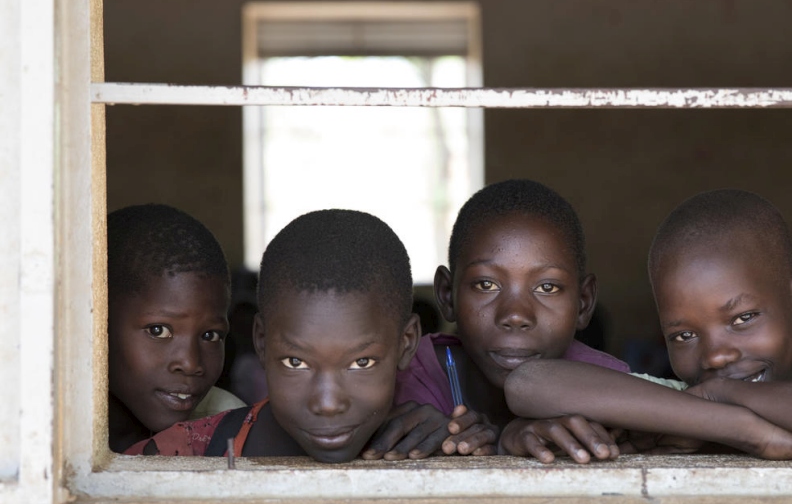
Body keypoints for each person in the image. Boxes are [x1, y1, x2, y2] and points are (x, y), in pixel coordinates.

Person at [504, 190, 792, 462]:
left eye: (742, 318)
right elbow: (530, 382)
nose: (715, 355)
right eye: (683, 335)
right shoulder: (673, 404)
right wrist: (752, 433)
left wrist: (727, 393)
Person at [126, 209, 491, 462]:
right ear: (262, 342)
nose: (328, 403)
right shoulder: (179, 456)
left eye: (361, 362)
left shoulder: (436, 447)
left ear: (407, 343)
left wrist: (476, 450)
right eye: (296, 362)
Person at [391, 179, 631, 462]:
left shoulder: (608, 384)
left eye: (547, 287)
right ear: (447, 295)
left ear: (583, 303)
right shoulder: (401, 376)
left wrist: (505, 438)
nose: (516, 315)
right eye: (485, 285)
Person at [108, 204, 244, 453]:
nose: (190, 363)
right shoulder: (44, 426)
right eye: (158, 331)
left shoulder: (227, 426)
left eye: (210, 335)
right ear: (99, 325)